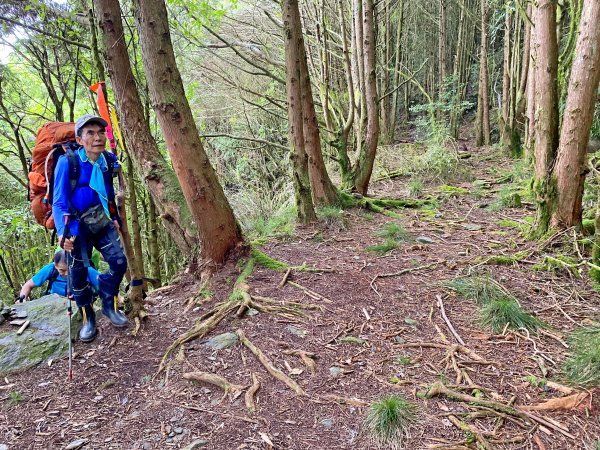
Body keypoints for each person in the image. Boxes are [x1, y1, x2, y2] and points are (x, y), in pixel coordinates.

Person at [53, 114, 128, 343]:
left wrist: (113, 215)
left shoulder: (107, 161)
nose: (98, 137)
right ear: (80, 139)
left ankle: (109, 304)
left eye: (101, 132)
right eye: (91, 133)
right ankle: (88, 319)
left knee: (118, 262)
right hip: (76, 229)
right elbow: (58, 201)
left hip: (102, 222)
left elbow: (108, 191)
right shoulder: (69, 163)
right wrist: (61, 233)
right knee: (78, 276)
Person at [18, 250, 100, 301]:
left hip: (81, 304)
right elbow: (28, 285)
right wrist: (23, 299)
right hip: (55, 304)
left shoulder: (85, 269)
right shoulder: (50, 269)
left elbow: (105, 284)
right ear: (55, 265)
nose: (67, 273)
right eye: (62, 270)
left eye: (70, 269)